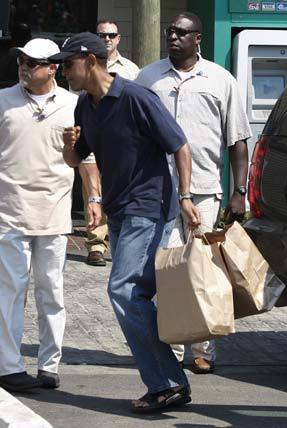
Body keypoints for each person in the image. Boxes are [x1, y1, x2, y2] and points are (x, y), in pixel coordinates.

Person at [50, 32, 200, 413]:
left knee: (124, 291)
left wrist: (185, 197)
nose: (62, 70)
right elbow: (77, 159)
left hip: (149, 207)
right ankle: (168, 380)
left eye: (68, 64)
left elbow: (179, 144)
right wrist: (71, 148)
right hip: (119, 209)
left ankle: (167, 382)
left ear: (91, 61)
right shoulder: (86, 105)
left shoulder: (136, 97)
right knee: (137, 295)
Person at [136, 12, 251, 374]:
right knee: (167, 272)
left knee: (203, 271)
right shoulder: (148, 77)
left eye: (181, 33)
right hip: (159, 190)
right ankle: (169, 342)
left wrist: (240, 191)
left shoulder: (220, 80)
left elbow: (238, 140)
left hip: (203, 190)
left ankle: (202, 350)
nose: (173, 37)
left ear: (198, 38)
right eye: (170, 31)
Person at [0, 38, 78, 392]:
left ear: (53, 67)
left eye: (34, 63)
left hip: (55, 212)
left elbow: (87, 159)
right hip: (9, 211)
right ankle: (9, 366)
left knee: (52, 291)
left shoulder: (74, 105)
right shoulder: (2, 101)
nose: (25, 67)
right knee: (10, 291)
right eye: (22, 61)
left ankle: (50, 364)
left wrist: (94, 200)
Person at [79, 20, 140, 267]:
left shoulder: (132, 70)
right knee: (92, 189)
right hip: (94, 138)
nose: (106, 38)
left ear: (118, 38)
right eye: (101, 34)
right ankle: (95, 243)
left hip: (122, 141)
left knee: (120, 189)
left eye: (111, 35)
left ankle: (119, 242)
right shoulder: (84, 66)